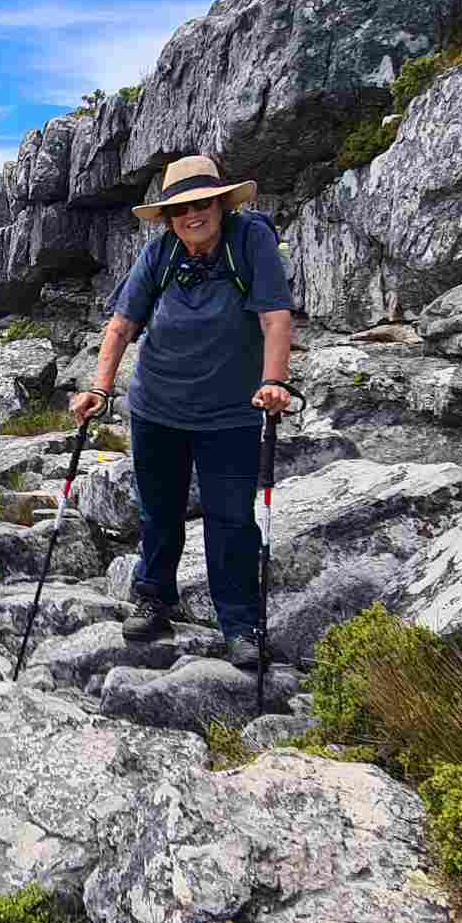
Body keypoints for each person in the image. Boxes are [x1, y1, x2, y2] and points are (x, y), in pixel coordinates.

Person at [70, 154, 295, 669]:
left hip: (232, 412)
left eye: (201, 203)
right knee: (158, 510)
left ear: (220, 203)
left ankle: (239, 625)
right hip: (157, 407)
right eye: (180, 209)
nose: (192, 215)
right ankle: (154, 599)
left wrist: (274, 382)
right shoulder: (161, 254)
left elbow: (275, 318)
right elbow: (121, 326)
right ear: (169, 217)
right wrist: (100, 391)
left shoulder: (250, 242)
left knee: (232, 518)